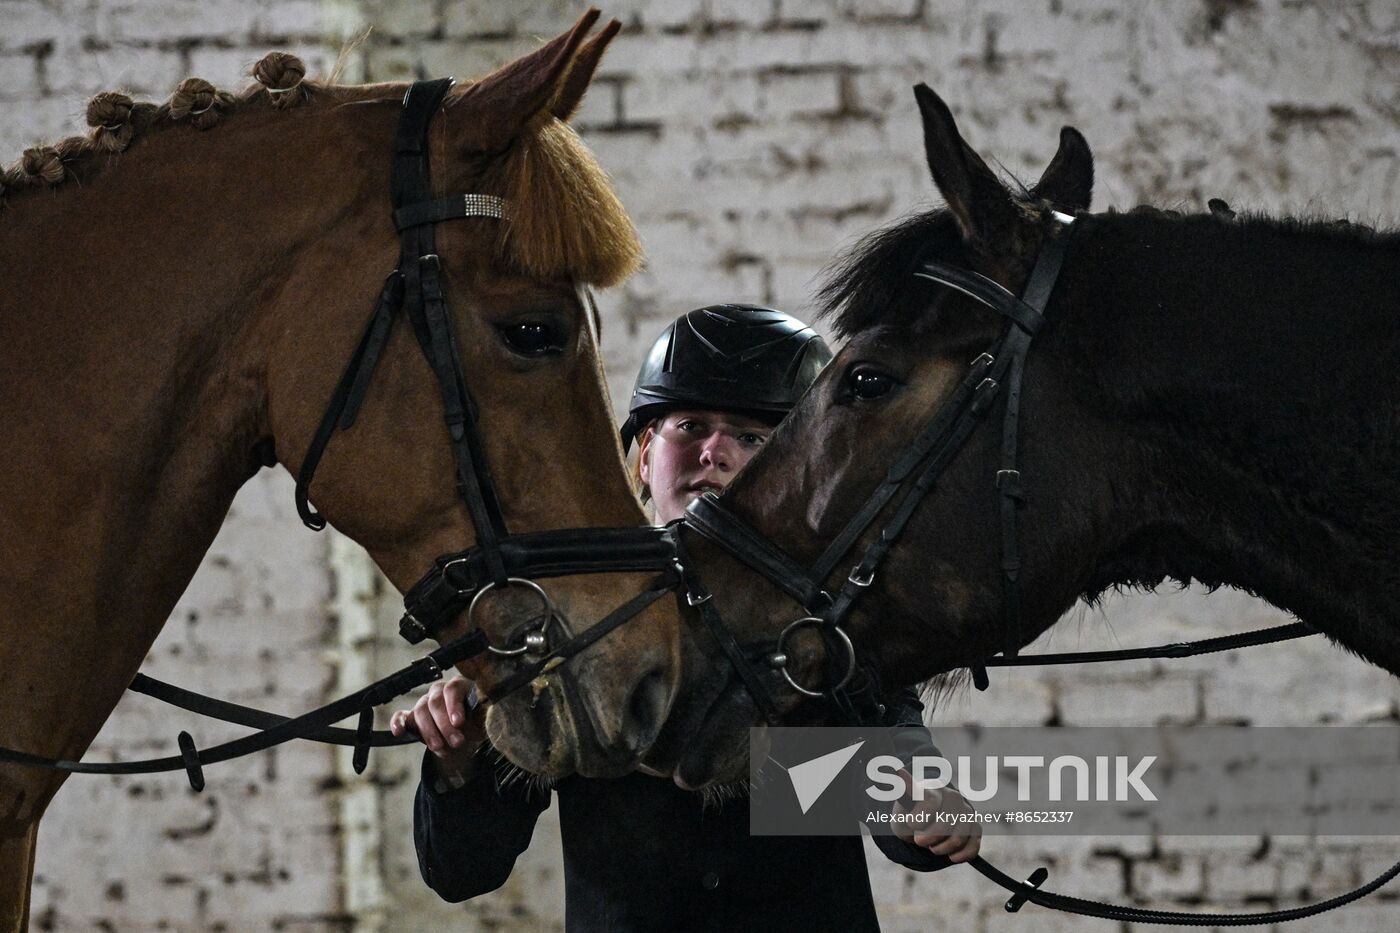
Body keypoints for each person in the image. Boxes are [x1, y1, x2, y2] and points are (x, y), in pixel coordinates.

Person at [391, 304, 980, 931]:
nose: (715, 453)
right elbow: (462, 872)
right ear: (644, 456)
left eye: (753, 438)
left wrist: (924, 803)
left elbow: (902, 809)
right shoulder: (564, 626)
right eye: (690, 426)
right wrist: (461, 757)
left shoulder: (839, 624)